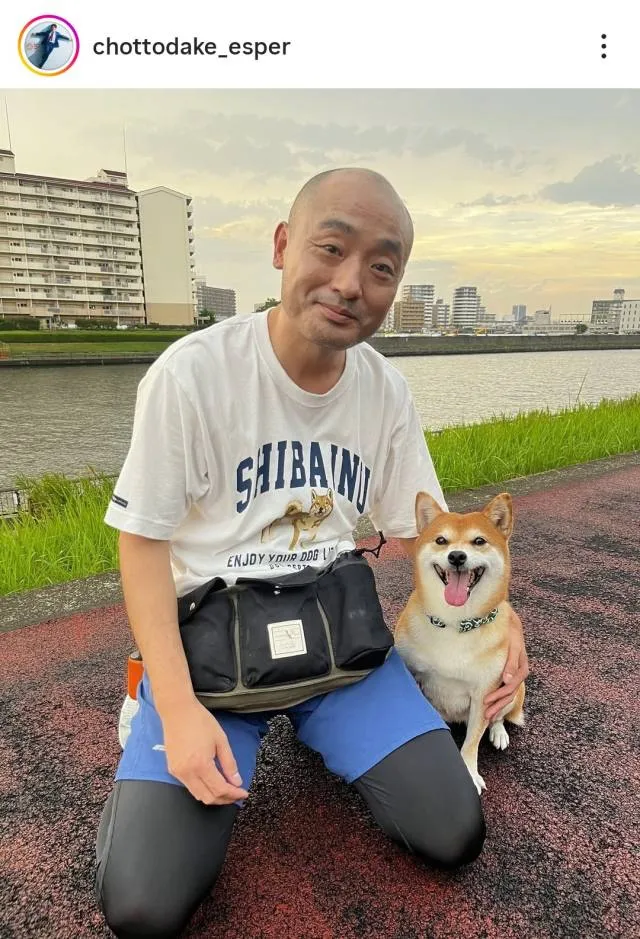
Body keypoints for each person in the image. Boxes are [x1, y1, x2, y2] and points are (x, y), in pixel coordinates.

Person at [95, 167, 530, 938]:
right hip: (211, 652)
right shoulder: (192, 375)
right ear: (282, 246)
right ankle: (154, 708)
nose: (351, 282)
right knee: (142, 906)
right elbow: (142, 542)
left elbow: (430, 535)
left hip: (337, 639)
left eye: (381, 267)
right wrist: (182, 707)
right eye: (331, 248)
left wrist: (505, 623)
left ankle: (319, 720)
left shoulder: (384, 391)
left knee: (453, 829)